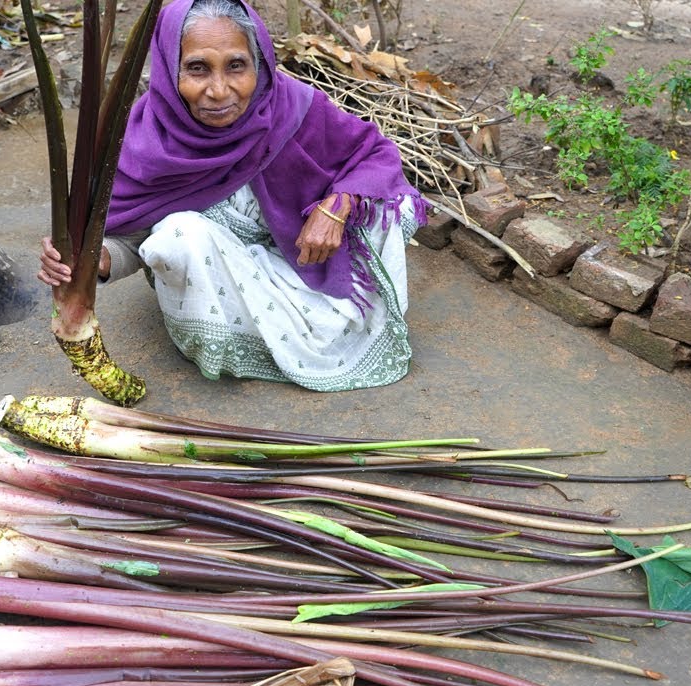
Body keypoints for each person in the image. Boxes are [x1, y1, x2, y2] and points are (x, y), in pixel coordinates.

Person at [39, 0, 427, 392]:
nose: (219, 90)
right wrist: (94, 259)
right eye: (197, 68)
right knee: (178, 233)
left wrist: (337, 207)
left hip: (301, 256)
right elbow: (132, 234)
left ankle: (322, 320)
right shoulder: (144, 140)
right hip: (216, 279)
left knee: (392, 205)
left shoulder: (291, 106)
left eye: (236, 66)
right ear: (167, 67)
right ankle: (235, 340)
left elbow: (376, 153)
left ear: (259, 63)